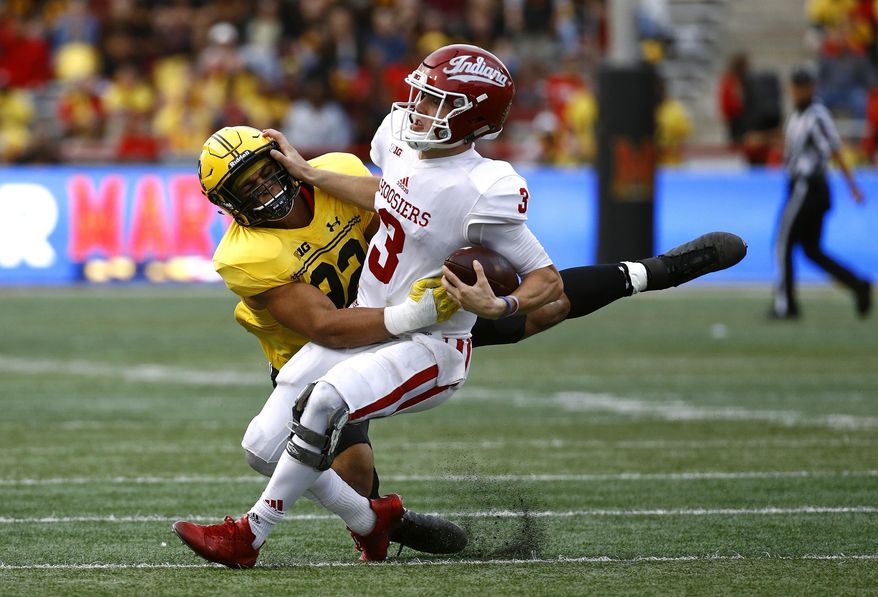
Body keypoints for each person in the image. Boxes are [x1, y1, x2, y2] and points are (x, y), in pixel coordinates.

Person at [175, 44, 747, 568]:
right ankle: (373, 520)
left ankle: (653, 271)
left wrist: (493, 305)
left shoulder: (474, 185)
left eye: (433, 101)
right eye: (419, 95)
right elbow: (336, 310)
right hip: (344, 329)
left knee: (539, 314)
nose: (415, 108)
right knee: (310, 458)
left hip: (426, 317)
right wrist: (416, 308)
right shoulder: (249, 253)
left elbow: (536, 274)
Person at [771, 65, 872, 319]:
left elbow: (835, 150)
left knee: (783, 243)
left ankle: (786, 305)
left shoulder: (817, 116)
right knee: (811, 250)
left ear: (809, 88)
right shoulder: (797, 116)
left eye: (801, 86)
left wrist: (853, 187)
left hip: (809, 186)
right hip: (802, 186)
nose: (797, 91)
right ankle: (858, 285)